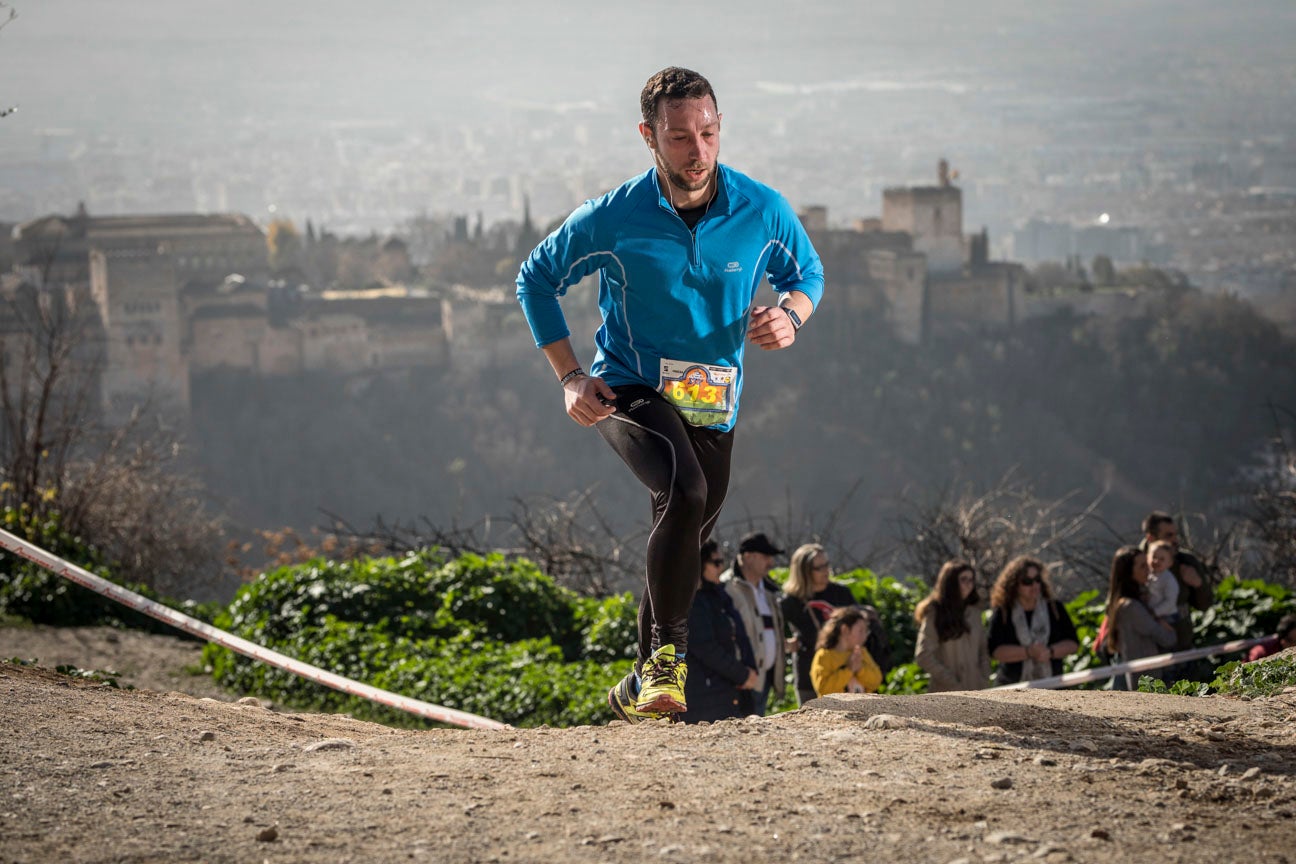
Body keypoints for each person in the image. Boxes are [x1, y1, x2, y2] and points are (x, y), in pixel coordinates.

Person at [515, 67, 824, 723]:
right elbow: (534, 280)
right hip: (629, 389)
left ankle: (637, 689)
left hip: (716, 400)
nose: (698, 151)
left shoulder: (760, 208)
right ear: (648, 137)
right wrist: (571, 377)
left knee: (686, 532)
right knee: (684, 495)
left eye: (708, 133)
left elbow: (808, 273)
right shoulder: (614, 216)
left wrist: (790, 316)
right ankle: (665, 665)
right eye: (680, 137)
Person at [682, 540, 761, 723]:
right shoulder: (692, 602)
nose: (721, 567)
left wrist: (749, 671)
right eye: (716, 563)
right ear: (699, 564)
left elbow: (738, 635)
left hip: (728, 689)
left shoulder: (718, 594)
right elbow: (706, 648)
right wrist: (742, 674)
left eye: (722, 562)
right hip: (704, 695)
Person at [723, 532, 792, 715]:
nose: (770, 563)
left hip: (765, 677)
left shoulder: (768, 592)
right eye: (765, 556)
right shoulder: (728, 589)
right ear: (748, 557)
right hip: (739, 677)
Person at [986, 556, 1080, 686]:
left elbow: (1073, 643)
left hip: (1052, 686)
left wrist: (1050, 652)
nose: (1034, 585)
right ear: (1014, 584)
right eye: (1027, 581)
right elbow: (995, 651)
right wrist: (1028, 652)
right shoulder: (1003, 612)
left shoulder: (1054, 608)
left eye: (1037, 580)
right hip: (1012, 688)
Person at [780, 543, 855, 705]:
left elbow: (857, 627)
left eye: (826, 564)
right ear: (804, 572)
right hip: (809, 675)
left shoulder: (841, 594)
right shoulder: (792, 601)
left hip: (844, 670)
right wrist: (787, 644)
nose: (826, 570)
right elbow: (771, 627)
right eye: (819, 568)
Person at [1103, 546, 1177, 690]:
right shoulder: (1131, 608)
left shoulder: (1130, 603)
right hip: (1146, 679)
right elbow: (1165, 638)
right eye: (1142, 566)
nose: (1148, 570)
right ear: (1129, 573)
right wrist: (1169, 630)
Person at [913, 560, 991, 692]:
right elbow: (923, 656)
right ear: (951, 582)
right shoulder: (935, 613)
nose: (968, 584)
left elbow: (983, 650)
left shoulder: (974, 612)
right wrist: (951, 681)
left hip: (977, 690)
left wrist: (983, 677)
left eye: (971, 580)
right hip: (946, 692)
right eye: (963, 579)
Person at [1139, 511, 1211, 653]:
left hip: (1182, 644)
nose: (1175, 540)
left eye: (1175, 534)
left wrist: (1198, 585)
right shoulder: (1135, 563)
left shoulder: (1185, 562)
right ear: (1151, 538)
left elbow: (1205, 604)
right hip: (1147, 648)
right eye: (1168, 536)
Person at [810, 607, 883, 696]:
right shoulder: (824, 656)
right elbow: (823, 688)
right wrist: (849, 670)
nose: (865, 636)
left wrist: (860, 669)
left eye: (866, 631)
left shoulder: (862, 653)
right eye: (860, 631)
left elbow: (876, 682)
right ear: (845, 630)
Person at [1144, 540, 1180, 624]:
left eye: (1162, 559)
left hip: (1167, 615)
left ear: (1170, 563)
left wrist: (1155, 612)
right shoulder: (1148, 575)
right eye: (1154, 557)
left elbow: (1170, 602)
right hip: (1151, 613)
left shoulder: (1169, 580)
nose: (1156, 561)